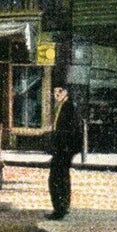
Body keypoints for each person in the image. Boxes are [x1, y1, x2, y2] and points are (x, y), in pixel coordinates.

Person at [48, 86, 83, 219]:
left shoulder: (69, 107)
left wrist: (68, 149)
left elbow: (73, 130)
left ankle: (60, 209)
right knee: (61, 177)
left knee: (56, 179)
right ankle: (62, 207)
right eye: (55, 92)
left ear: (66, 92)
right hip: (61, 149)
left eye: (59, 92)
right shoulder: (62, 106)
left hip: (64, 149)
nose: (56, 95)